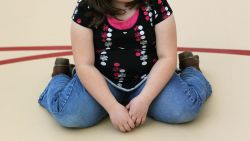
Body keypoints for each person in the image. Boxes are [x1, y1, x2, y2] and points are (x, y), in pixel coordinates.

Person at [38, 0, 212, 133]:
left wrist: (144, 99)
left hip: (149, 79)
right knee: (68, 115)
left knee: (185, 109)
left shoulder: (156, 5)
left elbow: (167, 58)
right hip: (102, 81)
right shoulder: (86, 9)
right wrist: (112, 107)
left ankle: (191, 71)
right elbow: (85, 64)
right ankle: (60, 76)